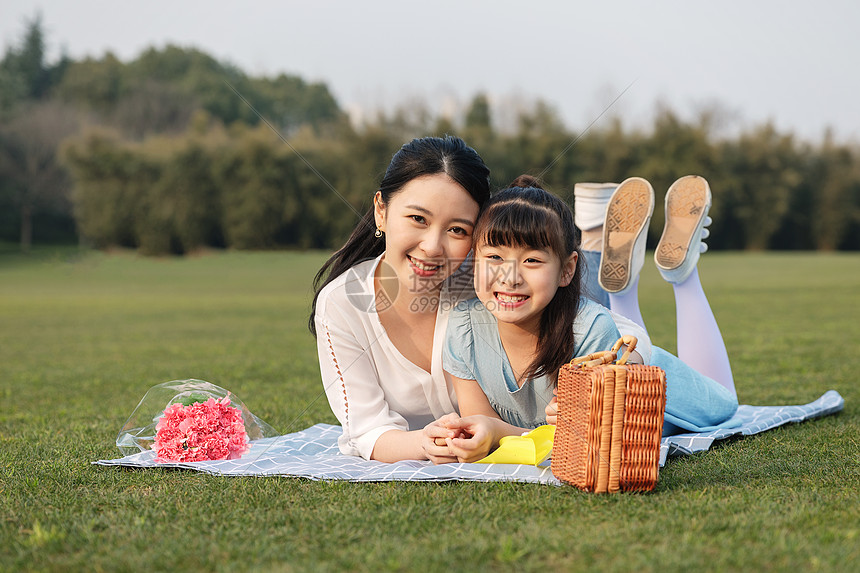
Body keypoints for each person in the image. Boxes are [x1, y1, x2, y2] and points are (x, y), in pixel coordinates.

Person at [438, 176, 739, 463]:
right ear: (472, 260)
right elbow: (482, 422)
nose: (510, 277)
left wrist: (502, 434)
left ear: (567, 270)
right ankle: (623, 287)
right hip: (620, 352)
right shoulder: (464, 328)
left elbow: (593, 438)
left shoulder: (589, 331)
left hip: (662, 389)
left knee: (724, 405)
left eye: (532, 260)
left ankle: (682, 276)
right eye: (494, 257)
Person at [310, 135, 492, 463]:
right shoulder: (342, 304)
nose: (433, 246)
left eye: (457, 230)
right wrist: (426, 445)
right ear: (381, 211)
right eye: (418, 219)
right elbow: (367, 431)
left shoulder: (488, 287)